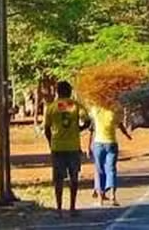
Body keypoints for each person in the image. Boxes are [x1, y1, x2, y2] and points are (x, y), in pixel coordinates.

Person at [44, 81, 90, 218]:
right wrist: (78, 129)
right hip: (73, 147)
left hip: (57, 146)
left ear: (58, 92)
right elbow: (87, 121)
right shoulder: (75, 106)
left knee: (58, 179)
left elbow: (46, 129)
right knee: (74, 177)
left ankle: (58, 209)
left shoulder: (52, 107)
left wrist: (50, 142)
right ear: (70, 91)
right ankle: (72, 207)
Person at [88, 104, 132, 207]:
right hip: (111, 143)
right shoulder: (114, 111)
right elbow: (120, 124)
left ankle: (100, 199)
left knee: (99, 170)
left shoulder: (96, 110)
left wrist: (89, 146)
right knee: (111, 169)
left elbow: (91, 126)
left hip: (98, 144)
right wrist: (126, 135)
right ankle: (113, 197)